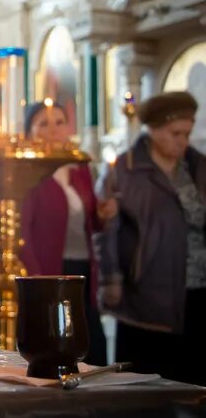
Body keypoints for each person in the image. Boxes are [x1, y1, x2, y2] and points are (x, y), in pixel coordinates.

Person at [98, 91, 205, 385]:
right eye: (175, 133)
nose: (183, 141)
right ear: (154, 129)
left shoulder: (198, 167)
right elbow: (107, 232)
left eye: (187, 133)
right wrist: (112, 280)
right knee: (147, 385)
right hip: (145, 293)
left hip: (196, 292)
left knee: (194, 385)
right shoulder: (126, 170)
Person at [21, 101, 113, 365]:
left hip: (82, 268)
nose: (53, 130)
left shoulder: (79, 168)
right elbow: (22, 231)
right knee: (58, 345)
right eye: (43, 124)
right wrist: (36, 279)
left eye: (59, 123)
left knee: (91, 343)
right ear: (30, 131)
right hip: (49, 271)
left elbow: (91, 221)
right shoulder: (28, 172)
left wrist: (103, 215)